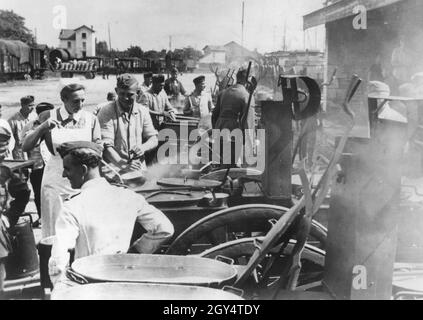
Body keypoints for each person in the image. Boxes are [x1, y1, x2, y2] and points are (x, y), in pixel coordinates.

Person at [48, 141, 174, 283]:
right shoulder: (130, 197)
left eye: (67, 169)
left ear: (83, 170)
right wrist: (136, 251)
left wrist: (61, 289)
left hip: (89, 286)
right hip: (123, 280)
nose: (64, 174)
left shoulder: (72, 206)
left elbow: (58, 262)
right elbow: (165, 229)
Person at [22, 83, 102, 238]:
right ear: (63, 99)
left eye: (82, 100)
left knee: (82, 230)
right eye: (75, 101)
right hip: (55, 182)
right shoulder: (47, 116)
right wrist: (42, 128)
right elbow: (26, 146)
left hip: (82, 181)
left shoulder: (90, 119)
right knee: (55, 231)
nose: (80, 105)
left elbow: (99, 149)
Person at [98, 74, 159, 171]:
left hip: (138, 168)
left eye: (130, 95)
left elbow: (153, 139)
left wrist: (142, 148)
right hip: (113, 170)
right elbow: (105, 146)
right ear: (116, 91)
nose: (125, 98)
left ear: (137, 93)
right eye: (122, 94)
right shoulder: (106, 111)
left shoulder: (142, 111)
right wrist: (123, 165)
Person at [20, 102, 55, 225]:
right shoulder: (30, 126)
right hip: (37, 166)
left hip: (52, 165)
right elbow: (23, 143)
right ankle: (41, 218)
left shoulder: (56, 125)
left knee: (53, 193)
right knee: (38, 194)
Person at [212, 69, 254, 167]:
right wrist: (250, 145)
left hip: (220, 130)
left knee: (222, 164)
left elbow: (214, 115)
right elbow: (248, 123)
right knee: (234, 166)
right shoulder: (247, 96)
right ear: (247, 80)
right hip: (234, 133)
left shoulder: (223, 92)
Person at [8, 95, 37, 161]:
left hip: (33, 151)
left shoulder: (34, 116)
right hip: (20, 153)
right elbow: (9, 139)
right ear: (23, 105)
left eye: (33, 105)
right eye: (30, 106)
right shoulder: (13, 120)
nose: (32, 108)